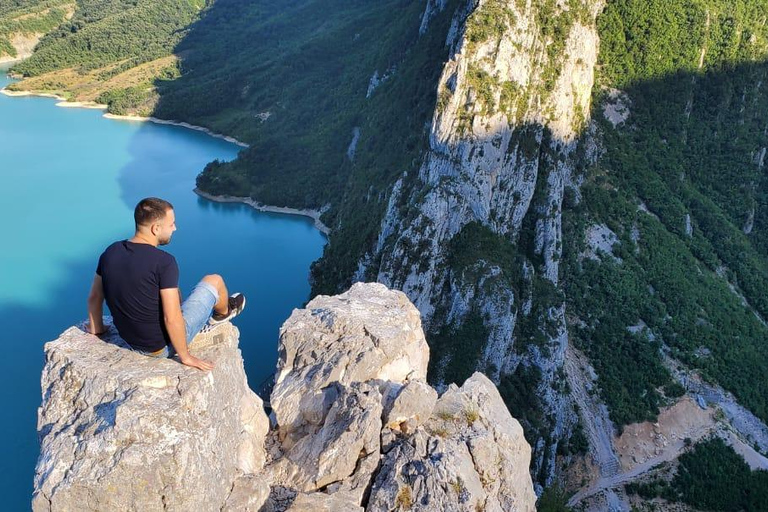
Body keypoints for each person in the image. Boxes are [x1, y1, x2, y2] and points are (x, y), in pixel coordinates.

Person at [85, 197, 246, 371]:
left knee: (172, 290)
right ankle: (223, 314)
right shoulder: (164, 262)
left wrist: (97, 329)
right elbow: (171, 318)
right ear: (156, 228)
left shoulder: (111, 251)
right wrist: (185, 356)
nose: (175, 228)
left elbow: (95, 297)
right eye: (171, 224)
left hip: (128, 340)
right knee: (214, 280)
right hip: (159, 349)